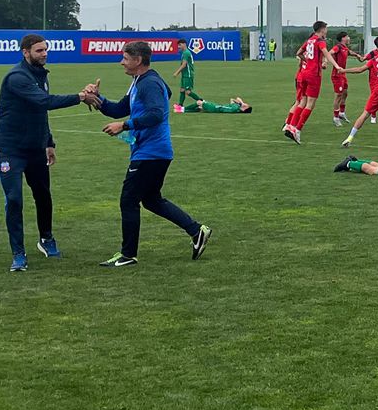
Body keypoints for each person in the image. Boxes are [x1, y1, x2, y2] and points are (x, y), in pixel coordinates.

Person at [83, 41, 211, 268]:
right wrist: (97, 99)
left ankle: (128, 254)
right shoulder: (138, 82)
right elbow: (119, 108)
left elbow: (156, 114)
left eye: (125, 58)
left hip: (151, 152)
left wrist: (124, 125)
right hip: (151, 151)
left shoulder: (149, 83)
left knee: (128, 200)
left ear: (138, 60)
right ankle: (196, 230)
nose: (121, 61)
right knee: (151, 200)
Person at [0, 34, 87, 271]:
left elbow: (39, 114)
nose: (44, 54)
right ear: (26, 52)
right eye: (39, 51)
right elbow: (43, 102)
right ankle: (18, 254)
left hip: (36, 149)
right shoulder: (17, 77)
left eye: (46, 50)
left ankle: (46, 240)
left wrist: (49, 142)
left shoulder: (41, 74)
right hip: (11, 149)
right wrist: (80, 97)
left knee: (43, 195)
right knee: (14, 200)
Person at [284, 21, 334, 144]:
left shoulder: (310, 40)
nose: (326, 30)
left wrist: (308, 61)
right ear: (322, 29)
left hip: (303, 75)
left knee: (302, 101)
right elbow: (327, 54)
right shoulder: (319, 41)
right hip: (312, 75)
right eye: (326, 28)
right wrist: (336, 66)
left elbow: (298, 53)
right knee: (309, 103)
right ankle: (296, 129)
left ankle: (290, 126)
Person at [329, 31, 365, 126]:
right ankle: (335, 117)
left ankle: (342, 113)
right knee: (338, 95)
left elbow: (350, 52)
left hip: (343, 74)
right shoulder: (338, 47)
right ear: (343, 38)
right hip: (337, 75)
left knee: (345, 93)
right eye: (347, 36)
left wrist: (357, 55)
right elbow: (330, 53)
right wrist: (325, 62)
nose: (349, 38)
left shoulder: (344, 48)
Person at [172, 38, 201, 109]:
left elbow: (184, 65)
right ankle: (180, 106)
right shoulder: (184, 53)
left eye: (180, 45)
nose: (178, 47)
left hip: (188, 75)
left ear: (184, 44)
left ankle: (201, 101)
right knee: (182, 90)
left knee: (188, 92)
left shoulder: (186, 53)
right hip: (184, 75)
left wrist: (176, 72)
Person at [182, 97, 253, 114]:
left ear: (244, 108)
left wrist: (242, 103)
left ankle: (183, 109)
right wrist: (242, 104)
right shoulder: (236, 108)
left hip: (215, 108)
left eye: (247, 105)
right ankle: (181, 111)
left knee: (199, 102)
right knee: (199, 109)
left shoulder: (236, 107)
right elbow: (232, 99)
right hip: (216, 107)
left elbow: (236, 98)